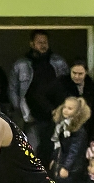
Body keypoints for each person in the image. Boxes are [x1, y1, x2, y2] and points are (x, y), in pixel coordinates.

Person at [8, 30, 68, 166]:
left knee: (54, 153)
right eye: (39, 42)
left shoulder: (58, 62)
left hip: (55, 116)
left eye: (45, 42)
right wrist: (19, 110)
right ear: (32, 44)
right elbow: (12, 90)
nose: (43, 45)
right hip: (31, 117)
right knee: (31, 152)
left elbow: (66, 87)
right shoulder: (21, 64)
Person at [50, 97, 91, 183]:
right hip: (62, 161)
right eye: (65, 107)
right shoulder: (62, 126)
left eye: (70, 108)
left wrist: (66, 167)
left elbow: (75, 151)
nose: (66, 110)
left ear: (77, 112)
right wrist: (54, 159)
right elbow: (58, 145)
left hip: (74, 166)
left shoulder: (79, 130)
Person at [49, 59, 94, 145]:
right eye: (74, 73)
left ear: (86, 72)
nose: (77, 76)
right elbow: (46, 96)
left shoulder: (91, 85)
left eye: (80, 74)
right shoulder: (61, 83)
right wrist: (52, 111)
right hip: (64, 123)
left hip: (85, 124)